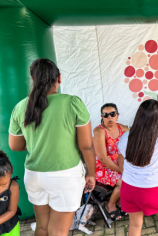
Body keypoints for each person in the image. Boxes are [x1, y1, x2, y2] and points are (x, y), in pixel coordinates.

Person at [8, 58, 96, 236]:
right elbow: (86, 146)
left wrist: (38, 140)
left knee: (42, 227)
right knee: (58, 231)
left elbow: (15, 145)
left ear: (33, 79)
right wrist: (92, 174)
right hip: (65, 176)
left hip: (34, 176)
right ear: (59, 78)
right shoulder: (72, 103)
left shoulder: (20, 107)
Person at [118, 99, 158, 236]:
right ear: (157, 119)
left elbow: (122, 162)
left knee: (135, 224)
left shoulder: (124, 137)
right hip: (149, 189)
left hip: (128, 187)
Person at [93, 103, 129, 221]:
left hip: (119, 164)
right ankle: (110, 204)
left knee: (134, 176)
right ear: (102, 117)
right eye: (106, 115)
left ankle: (119, 202)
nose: (110, 117)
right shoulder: (99, 131)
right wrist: (121, 170)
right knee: (124, 180)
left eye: (112, 114)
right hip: (103, 168)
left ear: (117, 115)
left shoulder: (121, 128)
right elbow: (103, 158)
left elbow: (134, 139)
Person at [0, 151, 22, 236]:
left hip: (9, 227)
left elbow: (12, 210)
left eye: (4, 184)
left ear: (11, 174)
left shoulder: (13, 186)